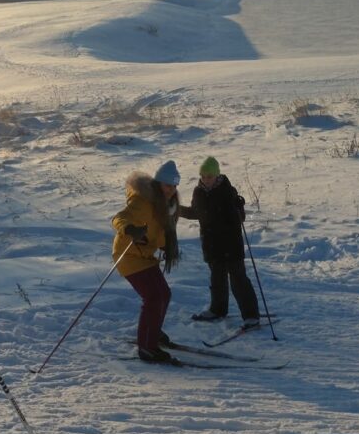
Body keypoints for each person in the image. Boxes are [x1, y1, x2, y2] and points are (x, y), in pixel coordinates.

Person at [111, 160, 182, 364]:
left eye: (175, 186)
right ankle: (147, 348)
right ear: (159, 184)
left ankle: (153, 330)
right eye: (169, 185)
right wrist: (130, 229)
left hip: (145, 256)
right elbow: (118, 218)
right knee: (153, 297)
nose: (172, 190)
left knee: (164, 294)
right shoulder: (142, 202)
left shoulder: (166, 206)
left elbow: (159, 231)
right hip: (128, 255)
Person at [179, 156, 259, 326]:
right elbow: (196, 213)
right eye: (203, 176)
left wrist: (239, 207)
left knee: (238, 281)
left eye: (209, 176)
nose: (206, 179)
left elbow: (240, 218)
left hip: (230, 244)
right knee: (217, 280)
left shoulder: (227, 190)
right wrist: (176, 209)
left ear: (217, 175)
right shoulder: (198, 192)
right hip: (211, 244)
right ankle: (217, 310)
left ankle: (251, 316)